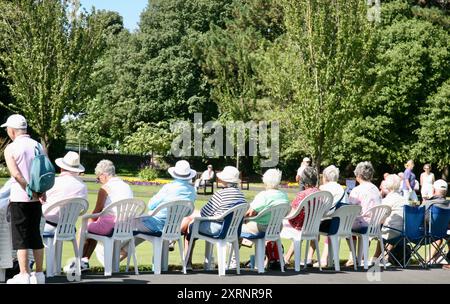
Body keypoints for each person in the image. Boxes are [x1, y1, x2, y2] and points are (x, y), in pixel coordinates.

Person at [64, 160, 133, 273]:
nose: (99, 181)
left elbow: (97, 210)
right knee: (94, 229)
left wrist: (88, 222)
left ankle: (76, 262)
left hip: (113, 225)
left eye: (98, 178)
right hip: (127, 226)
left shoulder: (106, 187)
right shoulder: (126, 185)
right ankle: (84, 261)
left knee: (83, 229)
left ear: (104, 175)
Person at [2, 114, 47, 284]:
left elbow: (15, 174)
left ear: (12, 130)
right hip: (37, 200)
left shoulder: (11, 148)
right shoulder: (37, 145)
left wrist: (30, 189)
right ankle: (39, 274)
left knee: (21, 238)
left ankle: (24, 274)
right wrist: (40, 191)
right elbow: (45, 171)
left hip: (20, 198)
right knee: (35, 235)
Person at [123, 160, 197, 257]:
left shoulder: (168, 188)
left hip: (156, 226)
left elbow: (151, 205)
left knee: (125, 223)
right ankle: (120, 253)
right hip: (173, 229)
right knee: (140, 234)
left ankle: (113, 253)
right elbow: (188, 212)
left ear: (174, 174)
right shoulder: (192, 190)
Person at [182, 166, 247, 269]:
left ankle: (187, 263)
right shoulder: (241, 195)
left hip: (218, 229)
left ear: (224, 180)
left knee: (191, 226)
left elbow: (204, 213)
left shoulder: (220, 194)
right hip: (234, 231)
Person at [42, 151, 87, 233]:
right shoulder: (83, 186)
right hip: (69, 227)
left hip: (47, 225)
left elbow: (42, 200)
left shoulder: (54, 182)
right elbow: (82, 207)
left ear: (61, 168)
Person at [283, 166, 319, 265]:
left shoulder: (302, 194)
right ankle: (288, 258)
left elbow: (292, 211)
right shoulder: (321, 193)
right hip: (314, 227)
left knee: (275, 224)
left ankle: (275, 258)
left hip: (299, 226)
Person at [348, 161, 382, 266]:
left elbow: (350, 208)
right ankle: (359, 257)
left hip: (363, 224)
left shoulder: (357, 190)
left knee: (344, 227)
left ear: (358, 175)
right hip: (375, 225)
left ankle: (353, 257)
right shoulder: (376, 189)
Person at [314, 165, 348, 267]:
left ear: (325, 177)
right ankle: (326, 258)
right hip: (343, 224)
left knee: (311, 224)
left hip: (330, 224)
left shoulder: (323, 188)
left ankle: (316, 258)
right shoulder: (343, 190)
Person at [373, 174, 408, 263]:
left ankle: (374, 257)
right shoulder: (404, 200)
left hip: (392, 232)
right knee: (384, 227)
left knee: (377, 228)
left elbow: (379, 218)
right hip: (405, 232)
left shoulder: (388, 199)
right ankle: (384, 256)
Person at [242, 169, 289, 235]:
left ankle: (236, 245)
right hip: (277, 227)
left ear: (265, 180)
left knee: (237, 227)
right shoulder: (284, 195)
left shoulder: (263, 195)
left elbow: (250, 213)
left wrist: (241, 217)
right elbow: (286, 212)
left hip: (262, 228)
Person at [423, 179, 449, 264]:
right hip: (442, 233)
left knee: (438, 237)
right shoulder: (449, 206)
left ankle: (430, 259)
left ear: (433, 190)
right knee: (440, 237)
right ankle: (436, 258)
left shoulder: (428, 203)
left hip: (424, 233)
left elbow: (421, 219)